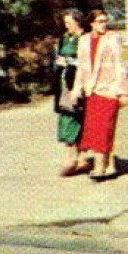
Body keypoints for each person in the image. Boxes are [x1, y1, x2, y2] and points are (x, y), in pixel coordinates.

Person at [71, 9, 128, 181]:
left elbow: (120, 66)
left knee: (104, 128)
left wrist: (123, 92)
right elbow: (81, 68)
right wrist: (77, 90)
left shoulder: (113, 38)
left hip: (110, 90)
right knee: (97, 128)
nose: (103, 24)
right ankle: (109, 165)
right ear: (91, 23)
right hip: (92, 91)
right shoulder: (83, 41)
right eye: (100, 21)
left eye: (105, 21)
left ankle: (99, 167)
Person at [53, 10, 88, 176]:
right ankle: (70, 157)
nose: (66, 26)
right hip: (64, 83)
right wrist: (59, 62)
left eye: (69, 22)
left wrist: (69, 62)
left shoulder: (84, 39)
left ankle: (79, 159)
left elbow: (86, 62)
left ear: (77, 22)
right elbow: (58, 57)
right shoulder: (64, 39)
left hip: (78, 84)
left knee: (78, 118)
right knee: (66, 117)